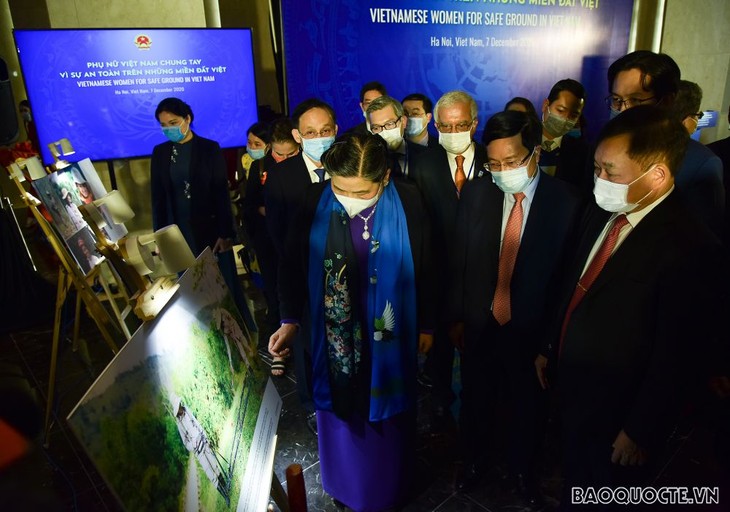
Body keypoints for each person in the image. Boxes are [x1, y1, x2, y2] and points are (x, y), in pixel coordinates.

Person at [535, 106, 720, 507]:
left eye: (611, 172)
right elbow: (573, 283)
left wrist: (640, 429)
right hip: (573, 393)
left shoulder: (691, 248)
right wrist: (550, 346)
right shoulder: (603, 208)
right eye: (596, 167)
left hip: (618, 419)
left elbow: (680, 356)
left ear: (657, 175)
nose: (599, 180)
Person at [268, 133, 435, 511]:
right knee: (342, 410)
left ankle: (387, 486)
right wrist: (289, 319)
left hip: (388, 333)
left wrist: (427, 325)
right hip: (332, 334)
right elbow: (291, 267)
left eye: (362, 193)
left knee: (386, 419)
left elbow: (427, 267)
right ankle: (345, 484)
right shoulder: (313, 201)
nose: (349, 200)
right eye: (340, 188)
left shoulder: (408, 200)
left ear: (385, 178)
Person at [450, 111, 582, 505]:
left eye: (512, 162)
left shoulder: (569, 202)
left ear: (535, 153)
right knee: (475, 399)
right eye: (493, 164)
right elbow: (460, 258)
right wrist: (457, 316)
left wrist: (549, 344)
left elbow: (566, 282)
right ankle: (474, 461)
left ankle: (522, 470)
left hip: (532, 330)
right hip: (481, 320)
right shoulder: (477, 193)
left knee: (528, 406)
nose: (502, 171)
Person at [410, 90, 487, 432]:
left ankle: (478, 408)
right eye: (446, 125)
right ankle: (441, 403)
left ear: (474, 123)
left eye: (461, 124)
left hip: (484, 281)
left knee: (480, 356)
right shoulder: (423, 165)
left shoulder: (493, 160)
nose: (453, 132)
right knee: (440, 353)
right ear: (436, 125)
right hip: (438, 280)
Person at [265, 98, 338, 434]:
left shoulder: (348, 166)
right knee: (308, 348)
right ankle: (314, 408)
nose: (319, 137)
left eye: (325, 131)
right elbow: (278, 238)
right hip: (303, 278)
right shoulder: (280, 176)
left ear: (335, 131)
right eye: (311, 132)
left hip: (344, 275)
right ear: (297, 135)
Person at [149, 97, 253, 331]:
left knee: (220, 286)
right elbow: (157, 198)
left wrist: (226, 233)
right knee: (189, 288)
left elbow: (220, 195)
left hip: (210, 230)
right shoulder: (160, 153)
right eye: (164, 125)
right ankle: (203, 335)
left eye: (173, 122)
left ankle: (237, 334)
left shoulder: (209, 148)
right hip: (177, 232)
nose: (169, 129)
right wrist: (160, 237)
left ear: (188, 119)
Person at [606, 51, 724, 237]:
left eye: (635, 100)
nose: (623, 110)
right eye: (617, 100)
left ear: (666, 101)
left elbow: (702, 245)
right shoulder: (601, 150)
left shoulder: (701, 165)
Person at [243, 118, 300, 376]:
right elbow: (250, 205)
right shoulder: (260, 168)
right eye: (279, 154)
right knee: (275, 295)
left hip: (297, 243)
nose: (285, 159)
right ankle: (280, 350)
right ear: (270, 150)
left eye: (291, 154)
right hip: (268, 243)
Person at [538, 79, 594, 193]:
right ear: (545, 105)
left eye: (574, 115)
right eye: (560, 110)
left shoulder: (583, 152)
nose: (565, 119)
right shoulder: (522, 141)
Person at [366, 95, 428, 178]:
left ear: (403, 121)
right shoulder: (366, 161)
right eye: (376, 128)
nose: (384, 132)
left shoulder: (427, 157)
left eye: (390, 124)